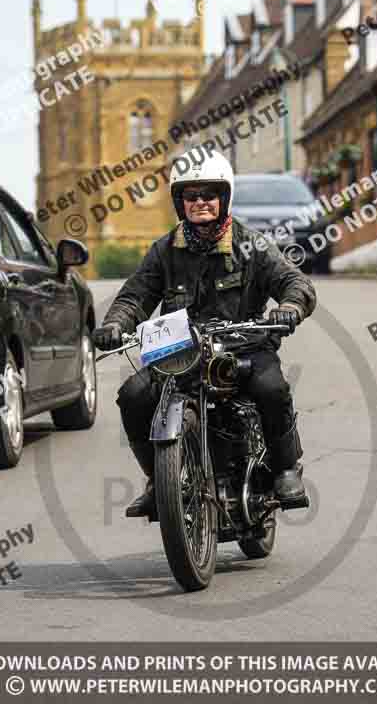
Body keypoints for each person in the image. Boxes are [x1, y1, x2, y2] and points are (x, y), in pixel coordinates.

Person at [93, 149, 317, 518]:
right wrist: (116, 324)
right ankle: (158, 481)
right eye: (190, 196)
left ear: (224, 197)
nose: (200, 202)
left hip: (243, 348)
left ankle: (285, 469)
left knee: (271, 388)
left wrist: (290, 308)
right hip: (182, 350)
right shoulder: (164, 251)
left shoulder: (251, 246)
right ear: (180, 202)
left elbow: (294, 282)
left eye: (208, 194)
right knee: (133, 395)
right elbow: (135, 296)